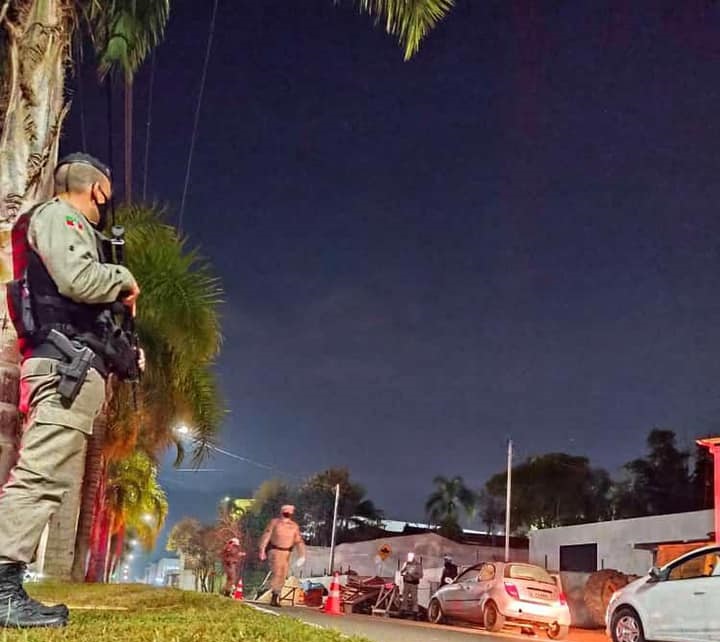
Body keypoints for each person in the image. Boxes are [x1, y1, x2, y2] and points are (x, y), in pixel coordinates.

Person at [0, 153, 141, 629]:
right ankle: (1, 590)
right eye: (108, 195)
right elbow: (79, 280)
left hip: (69, 365)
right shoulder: (60, 216)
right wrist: (122, 278)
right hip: (63, 366)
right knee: (38, 476)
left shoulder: (58, 222)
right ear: (98, 189)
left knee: (44, 476)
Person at [259, 504, 306, 607]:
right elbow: (267, 535)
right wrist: (262, 550)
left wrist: (302, 555)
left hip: (287, 553)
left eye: (290, 511)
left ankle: (276, 594)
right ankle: (274, 597)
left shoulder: (294, 526)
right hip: (275, 551)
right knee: (277, 572)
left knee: (283, 575)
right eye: (286, 510)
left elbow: (299, 541)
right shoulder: (275, 523)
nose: (288, 512)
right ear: (282, 511)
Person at [400, 551, 423, 619]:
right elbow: (402, 571)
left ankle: (415, 613)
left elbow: (420, 575)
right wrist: (404, 574)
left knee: (414, 599)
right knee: (405, 598)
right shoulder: (406, 564)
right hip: (406, 583)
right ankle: (403, 611)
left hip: (413, 584)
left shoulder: (418, 565)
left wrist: (413, 575)